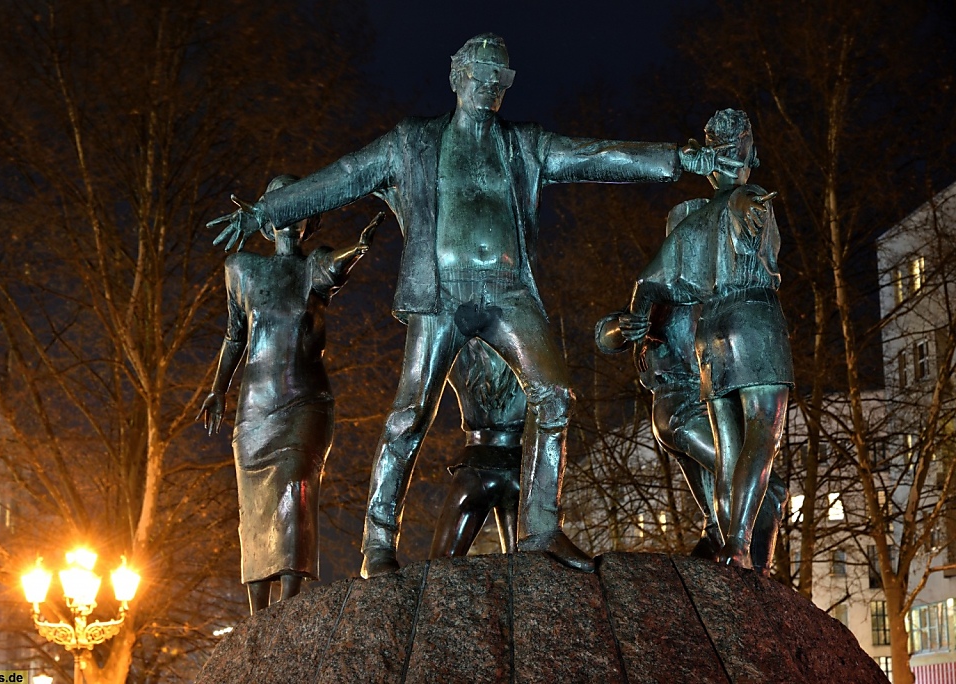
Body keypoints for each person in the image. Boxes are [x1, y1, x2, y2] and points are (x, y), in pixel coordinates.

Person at [213, 34, 742, 577]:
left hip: (509, 293)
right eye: (481, 76)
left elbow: (598, 154)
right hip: (443, 294)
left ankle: (540, 528)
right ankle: (377, 543)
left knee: (555, 395)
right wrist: (263, 212)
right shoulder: (412, 142)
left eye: (500, 79)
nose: (489, 87)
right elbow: (343, 178)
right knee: (410, 412)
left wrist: (678, 159)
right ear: (456, 76)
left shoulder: (523, 144)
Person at [619, 109, 793, 569]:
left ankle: (729, 545)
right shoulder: (749, 199)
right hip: (753, 315)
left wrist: (637, 319)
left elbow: (648, 283)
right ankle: (737, 544)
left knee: (729, 440)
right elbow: (755, 235)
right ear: (746, 149)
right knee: (764, 430)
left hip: (711, 331)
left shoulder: (693, 224)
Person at [199, 175, 381, 611]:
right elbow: (234, 336)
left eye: (299, 211)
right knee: (256, 508)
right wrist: (216, 389)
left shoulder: (314, 265)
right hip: (256, 408)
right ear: (268, 218)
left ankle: (290, 604)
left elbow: (336, 268)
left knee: (295, 485)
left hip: (306, 402)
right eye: (281, 209)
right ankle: (258, 616)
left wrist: (357, 248)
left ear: (308, 221)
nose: (290, 219)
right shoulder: (241, 269)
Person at [595, 196, 787, 574]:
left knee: (725, 516)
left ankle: (722, 578)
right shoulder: (669, 291)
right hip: (681, 410)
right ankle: (756, 580)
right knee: (756, 485)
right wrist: (626, 326)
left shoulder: (714, 292)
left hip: (701, 408)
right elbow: (607, 335)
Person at [430, 339, 524, 558]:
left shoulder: (460, 351)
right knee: (525, 567)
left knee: (441, 565)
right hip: (519, 465)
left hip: (477, 466)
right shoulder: (528, 348)